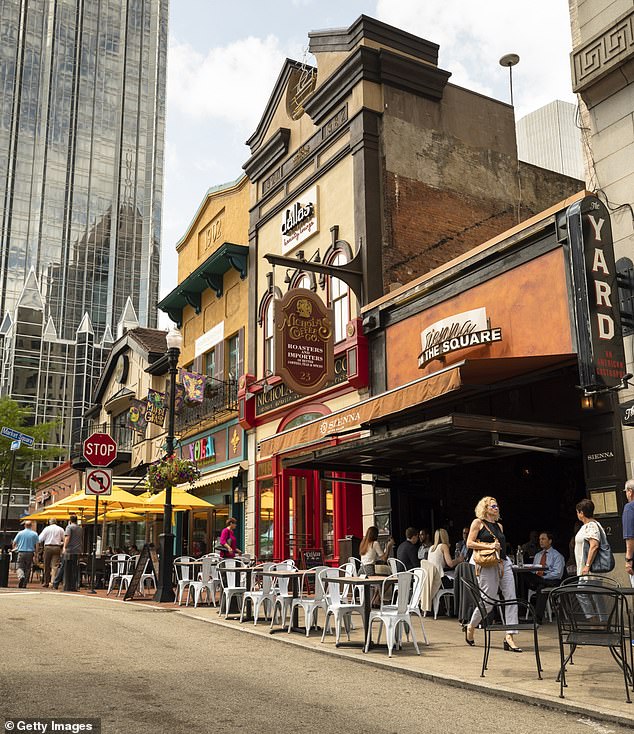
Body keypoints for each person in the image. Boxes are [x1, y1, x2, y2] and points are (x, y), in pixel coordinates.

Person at [464, 496, 522, 652]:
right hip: (486, 564)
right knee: (488, 601)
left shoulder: (499, 526)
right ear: (485, 508)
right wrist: (490, 546)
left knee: (511, 597)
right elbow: (469, 543)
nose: (496, 508)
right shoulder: (478, 523)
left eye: (497, 506)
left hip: (503, 563)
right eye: (493, 506)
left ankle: (510, 635)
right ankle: (471, 625)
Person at [524, 531, 565, 623]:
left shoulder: (557, 555)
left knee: (541, 588)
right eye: (539, 539)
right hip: (538, 580)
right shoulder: (538, 555)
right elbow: (534, 570)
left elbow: (558, 573)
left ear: (550, 541)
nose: (540, 541)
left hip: (552, 580)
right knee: (525, 573)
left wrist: (544, 578)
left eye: (543, 539)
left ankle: (537, 619)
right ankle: (533, 616)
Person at [574, 498, 604, 575]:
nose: (577, 514)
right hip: (585, 570)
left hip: (590, 572)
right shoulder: (586, 526)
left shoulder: (591, 526)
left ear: (581, 513)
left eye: (577, 512)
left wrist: (587, 566)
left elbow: (594, 545)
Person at [12, 520, 39, 588]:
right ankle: (24, 584)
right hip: (30, 553)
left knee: (20, 567)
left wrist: (15, 548)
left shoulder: (20, 533)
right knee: (28, 568)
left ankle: (21, 576)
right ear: (31, 526)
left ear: (25, 525)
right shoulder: (35, 534)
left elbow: (14, 543)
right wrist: (36, 553)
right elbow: (37, 545)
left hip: (21, 552)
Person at [38, 518, 65, 588]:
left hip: (48, 547)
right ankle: (53, 582)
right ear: (56, 522)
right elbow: (64, 539)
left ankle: (46, 582)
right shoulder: (61, 529)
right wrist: (60, 543)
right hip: (57, 547)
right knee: (55, 566)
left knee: (46, 565)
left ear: (50, 522)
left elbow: (40, 539)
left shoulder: (47, 529)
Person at [63, 514, 83, 591]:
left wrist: (64, 547)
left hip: (70, 550)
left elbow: (67, 537)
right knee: (75, 569)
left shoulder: (69, 527)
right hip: (77, 550)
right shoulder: (80, 528)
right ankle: (74, 586)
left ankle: (67, 586)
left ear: (70, 520)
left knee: (67, 569)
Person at [622, 479, 634, 587]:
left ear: (630, 491)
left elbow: (630, 536)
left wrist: (628, 559)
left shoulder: (629, 508)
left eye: (626, 491)